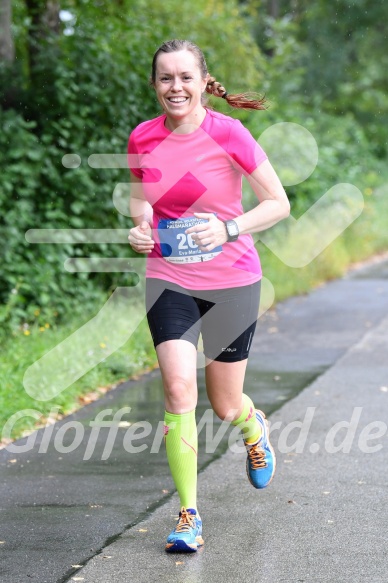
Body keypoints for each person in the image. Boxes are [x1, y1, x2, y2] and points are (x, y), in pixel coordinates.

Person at [127, 39, 290, 553]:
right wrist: (139, 229)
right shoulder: (142, 138)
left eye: (184, 77)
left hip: (233, 281)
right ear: (154, 85)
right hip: (168, 277)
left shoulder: (230, 134)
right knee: (178, 390)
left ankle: (252, 425)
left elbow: (278, 203)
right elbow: (140, 204)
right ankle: (188, 516)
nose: (175, 88)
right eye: (165, 79)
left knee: (223, 404)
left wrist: (228, 229)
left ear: (202, 82)